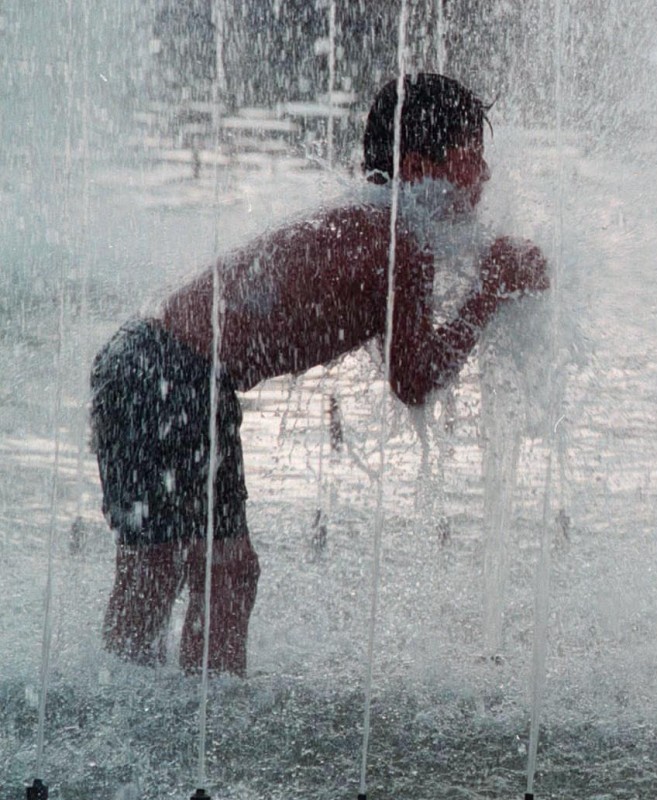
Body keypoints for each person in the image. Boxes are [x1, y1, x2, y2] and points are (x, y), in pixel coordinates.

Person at [89, 73, 549, 676]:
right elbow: (412, 380)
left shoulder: (371, 225)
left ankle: (120, 704)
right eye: (471, 159)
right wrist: (489, 290)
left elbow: (401, 353)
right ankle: (202, 728)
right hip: (177, 377)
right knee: (226, 571)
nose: (485, 176)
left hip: (139, 360)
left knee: (158, 565)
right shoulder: (401, 247)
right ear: (417, 167)